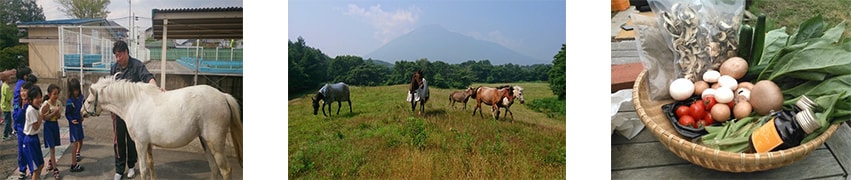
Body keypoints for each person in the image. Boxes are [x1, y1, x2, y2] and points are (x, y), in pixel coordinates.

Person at [110, 40, 162, 180]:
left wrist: (156, 89)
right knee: (118, 141)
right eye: (116, 56)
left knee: (133, 140)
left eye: (120, 55)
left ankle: (131, 166)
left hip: (135, 115)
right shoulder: (114, 68)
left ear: (126, 52)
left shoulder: (137, 65)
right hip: (118, 112)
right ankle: (119, 169)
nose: (118, 58)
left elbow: (148, 78)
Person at [13, 67, 33, 179]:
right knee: (21, 150)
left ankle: (33, 170)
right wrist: (22, 107)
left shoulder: (31, 104)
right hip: (21, 129)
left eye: (25, 91)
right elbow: (16, 117)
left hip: (29, 130)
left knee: (30, 150)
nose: (22, 93)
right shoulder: (18, 103)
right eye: (21, 91)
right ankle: (22, 170)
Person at [41, 84, 62, 178]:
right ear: (49, 94)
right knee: (52, 148)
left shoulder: (58, 103)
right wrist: (54, 112)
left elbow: (59, 116)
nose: (56, 96)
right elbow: (44, 118)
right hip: (48, 127)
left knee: (54, 147)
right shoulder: (46, 104)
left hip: (55, 125)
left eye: (57, 94)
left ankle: (50, 161)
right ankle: (55, 169)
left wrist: (57, 114)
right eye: (54, 94)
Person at [22, 84, 43, 180]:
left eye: (40, 97)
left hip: (35, 139)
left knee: (41, 164)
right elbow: (35, 126)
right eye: (37, 98)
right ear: (30, 100)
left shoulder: (36, 108)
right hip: (29, 140)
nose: (39, 100)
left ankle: (36, 177)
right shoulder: (30, 110)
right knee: (34, 169)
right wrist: (42, 115)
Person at [66, 78, 86, 172]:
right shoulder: (70, 100)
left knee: (80, 139)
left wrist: (82, 116)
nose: (76, 92)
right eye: (74, 90)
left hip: (79, 122)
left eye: (77, 90)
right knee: (74, 143)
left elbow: (84, 107)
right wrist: (71, 120)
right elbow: (67, 113)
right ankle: (73, 164)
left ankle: (78, 152)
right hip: (73, 124)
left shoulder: (82, 98)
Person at [2, 69, 14, 140]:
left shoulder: (3, 85)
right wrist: (12, 93)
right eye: (9, 77)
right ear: (6, 79)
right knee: (7, 121)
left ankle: (10, 132)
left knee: (8, 120)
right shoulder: (6, 87)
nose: (10, 78)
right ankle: (5, 135)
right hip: (6, 106)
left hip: (4, 105)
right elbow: (8, 97)